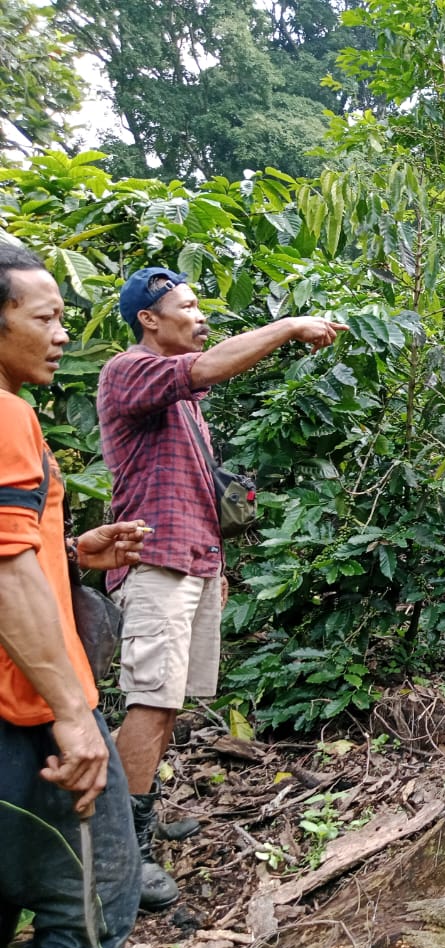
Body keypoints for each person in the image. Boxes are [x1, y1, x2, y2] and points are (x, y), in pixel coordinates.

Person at [97, 267, 346, 910]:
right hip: (154, 563)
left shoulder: (185, 403)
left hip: (191, 562)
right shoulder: (130, 369)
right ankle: (117, 855)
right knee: (151, 700)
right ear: (149, 318)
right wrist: (290, 326)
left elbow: (191, 488)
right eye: (187, 305)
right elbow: (205, 367)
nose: (200, 315)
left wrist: (216, 565)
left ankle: (140, 821)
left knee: (169, 700)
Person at [0, 243, 147, 948]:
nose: (62, 334)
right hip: (26, 718)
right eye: (47, 317)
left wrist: (69, 553)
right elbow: (3, 573)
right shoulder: (5, 416)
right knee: (89, 919)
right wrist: (72, 718)